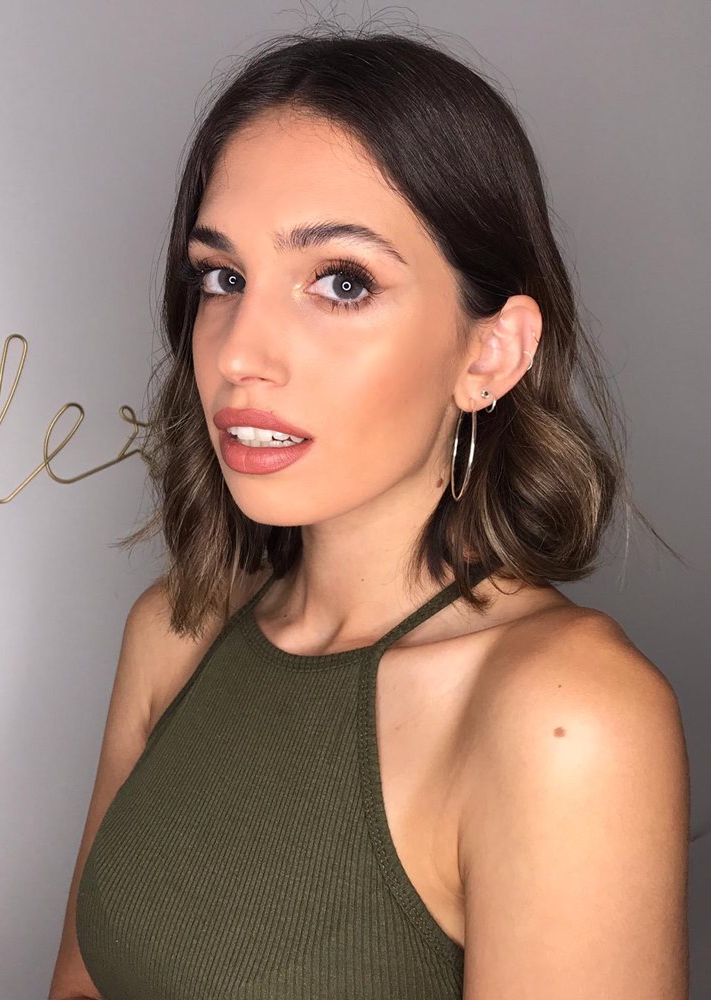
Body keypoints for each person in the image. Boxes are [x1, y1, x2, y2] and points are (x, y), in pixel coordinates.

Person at [48, 22, 690, 1000]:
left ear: (491, 354)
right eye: (222, 277)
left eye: (342, 283)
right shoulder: (176, 630)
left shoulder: (569, 718)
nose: (238, 352)